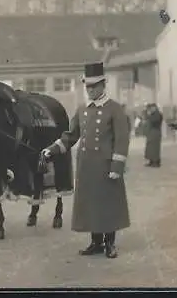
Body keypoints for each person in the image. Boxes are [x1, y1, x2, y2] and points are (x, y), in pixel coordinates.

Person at [42, 62, 130, 259]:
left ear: (102, 85)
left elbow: (122, 140)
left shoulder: (114, 109)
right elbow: (70, 136)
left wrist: (117, 166)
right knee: (91, 205)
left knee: (107, 204)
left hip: (106, 166)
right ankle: (96, 242)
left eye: (94, 86)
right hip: (87, 167)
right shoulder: (82, 109)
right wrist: (52, 150)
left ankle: (110, 244)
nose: (90, 90)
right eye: (87, 87)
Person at [144, 103, 163, 167]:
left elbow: (154, 121)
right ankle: (151, 161)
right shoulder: (152, 114)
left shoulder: (158, 114)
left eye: (152, 108)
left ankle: (156, 162)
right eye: (151, 108)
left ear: (155, 108)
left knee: (155, 148)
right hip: (151, 132)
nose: (151, 109)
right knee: (150, 148)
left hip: (156, 132)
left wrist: (149, 116)